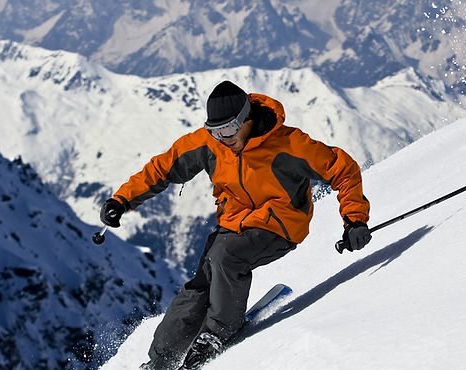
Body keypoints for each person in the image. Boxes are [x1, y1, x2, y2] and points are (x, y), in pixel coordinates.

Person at [100, 81, 372, 369]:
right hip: (234, 222)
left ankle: (219, 333)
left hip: (280, 223)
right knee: (199, 285)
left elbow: (344, 170)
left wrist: (354, 220)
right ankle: (161, 359)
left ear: (246, 120)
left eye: (228, 130)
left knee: (226, 258)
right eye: (215, 132)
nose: (223, 138)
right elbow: (162, 167)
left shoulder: (289, 144)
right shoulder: (212, 144)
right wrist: (122, 200)